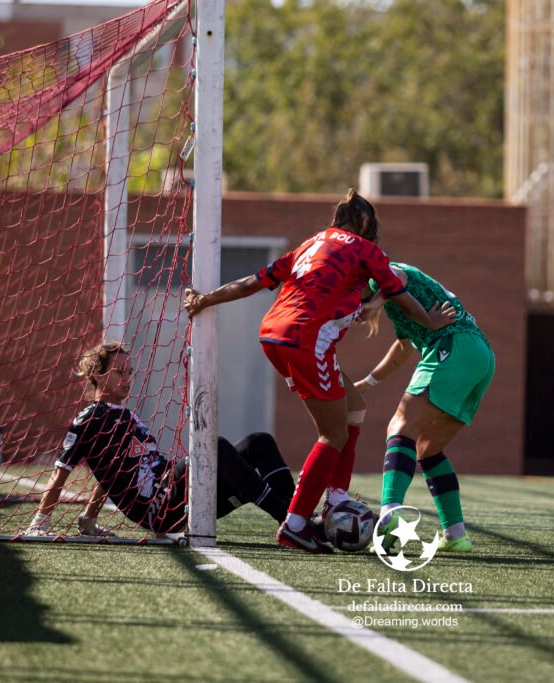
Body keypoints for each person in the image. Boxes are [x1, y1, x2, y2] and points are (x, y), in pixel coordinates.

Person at [183, 190, 456, 554]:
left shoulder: (311, 244)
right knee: (333, 435)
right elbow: (400, 292)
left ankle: (337, 498)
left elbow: (253, 282)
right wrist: (430, 319)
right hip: (308, 340)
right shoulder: (365, 248)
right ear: (364, 224)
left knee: (354, 405)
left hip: (273, 336)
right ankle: (295, 524)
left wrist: (204, 299)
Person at [25, 342, 295, 538]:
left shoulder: (126, 416)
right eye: (120, 373)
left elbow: (110, 476)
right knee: (218, 447)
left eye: (129, 373)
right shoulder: (88, 419)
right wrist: (40, 521)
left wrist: (89, 519)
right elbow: (59, 474)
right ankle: (290, 521)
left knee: (259, 442)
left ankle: (299, 517)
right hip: (160, 507)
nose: (127, 379)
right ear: (96, 375)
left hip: (178, 496)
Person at [354, 263, 494, 554]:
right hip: (479, 356)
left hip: (451, 347)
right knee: (428, 448)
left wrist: (374, 301)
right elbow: (404, 348)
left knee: (400, 427)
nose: (354, 313)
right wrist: (369, 382)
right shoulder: (398, 304)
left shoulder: (377, 273)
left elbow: (395, 275)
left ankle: (390, 516)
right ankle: (455, 534)